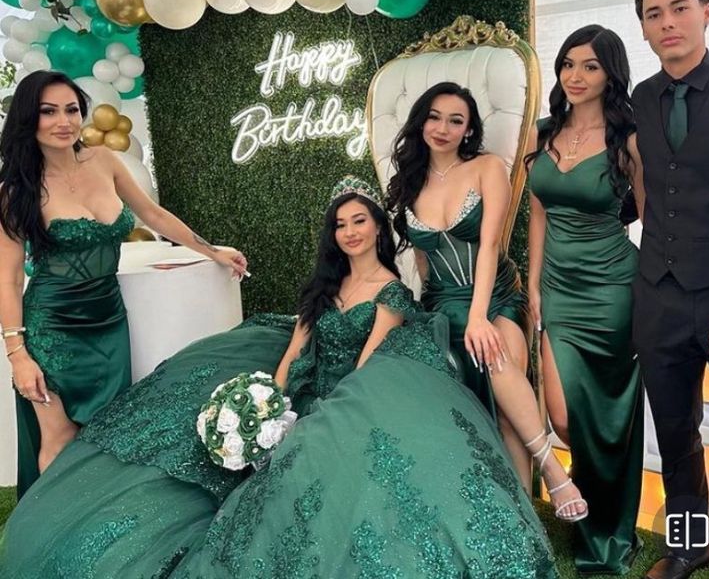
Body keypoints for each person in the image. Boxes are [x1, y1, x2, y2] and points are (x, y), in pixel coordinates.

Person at [0, 176, 557, 579]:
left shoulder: (392, 292)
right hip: (307, 389)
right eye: (340, 224)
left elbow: (369, 369)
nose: (349, 232)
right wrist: (271, 398)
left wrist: (319, 417)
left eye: (359, 220)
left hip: (355, 395)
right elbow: (295, 351)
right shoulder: (324, 289)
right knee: (189, 419)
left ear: (377, 227)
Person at [0, 70, 247, 497]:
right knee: (58, 440)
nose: (64, 121)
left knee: (106, 432)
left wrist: (211, 252)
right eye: (48, 111)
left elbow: (154, 216)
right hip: (52, 327)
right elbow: (8, 278)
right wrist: (18, 355)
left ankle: (95, 524)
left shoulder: (104, 160)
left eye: (72, 110)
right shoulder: (16, 190)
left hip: (108, 318)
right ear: (28, 119)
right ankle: (52, 537)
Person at [385, 82, 588, 522]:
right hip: (442, 305)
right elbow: (422, 263)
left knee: (497, 357)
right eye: (434, 116)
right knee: (492, 398)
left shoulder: (486, 167)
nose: (443, 128)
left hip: (495, 295)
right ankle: (522, 512)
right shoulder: (408, 183)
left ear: (469, 130)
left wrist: (481, 316)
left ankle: (548, 477)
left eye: (456, 120)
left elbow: (491, 244)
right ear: (421, 121)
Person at [525, 25, 645, 574]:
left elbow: (648, 213)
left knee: (610, 415)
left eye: (590, 66)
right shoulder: (542, 132)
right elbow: (539, 213)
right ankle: (591, 512)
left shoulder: (630, 139)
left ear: (610, 73)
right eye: (568, 64)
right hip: (558, 290)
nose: (575, 76)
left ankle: (608, 533)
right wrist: (532, 282)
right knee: (566, 418)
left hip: (615, 288)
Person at [632, 0, 709, 579]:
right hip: (659, 297)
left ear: (707, 11)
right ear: (643, 28)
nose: (667, 22)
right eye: (653, 13)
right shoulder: (642, 98)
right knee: (675, 434)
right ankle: (689, 545)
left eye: (678, 7)